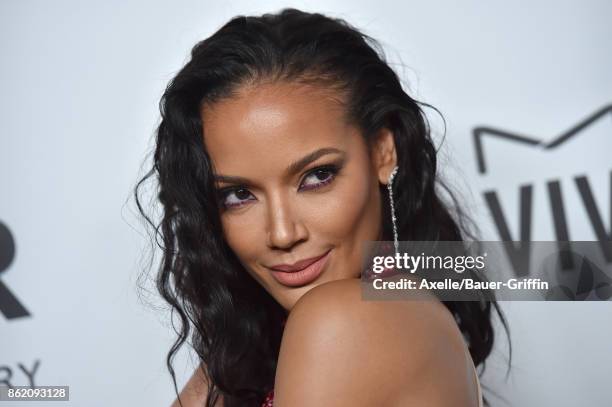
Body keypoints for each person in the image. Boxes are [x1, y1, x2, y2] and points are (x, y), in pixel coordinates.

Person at [135, 7, 510, 407]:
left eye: (316, 176)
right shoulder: (265, 348)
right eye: (239, 195)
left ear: (383, 152)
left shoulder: (342, 320)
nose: (282, 233)